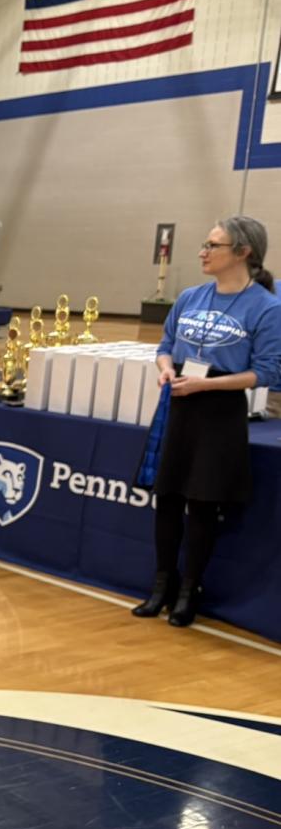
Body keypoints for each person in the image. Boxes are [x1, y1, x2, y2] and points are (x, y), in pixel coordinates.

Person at [133, 216, 281, 627]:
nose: (203, 251)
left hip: (219, 410)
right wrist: (165, 368)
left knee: (201, 504)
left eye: (213, 245)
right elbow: (165, 345)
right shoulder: (190, 296)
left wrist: (210, 387)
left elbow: (269, 372)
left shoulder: (267, 308)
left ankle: (188, 591)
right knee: (167, 499)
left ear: (243, 253)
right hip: (178, 403)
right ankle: (161, 585)